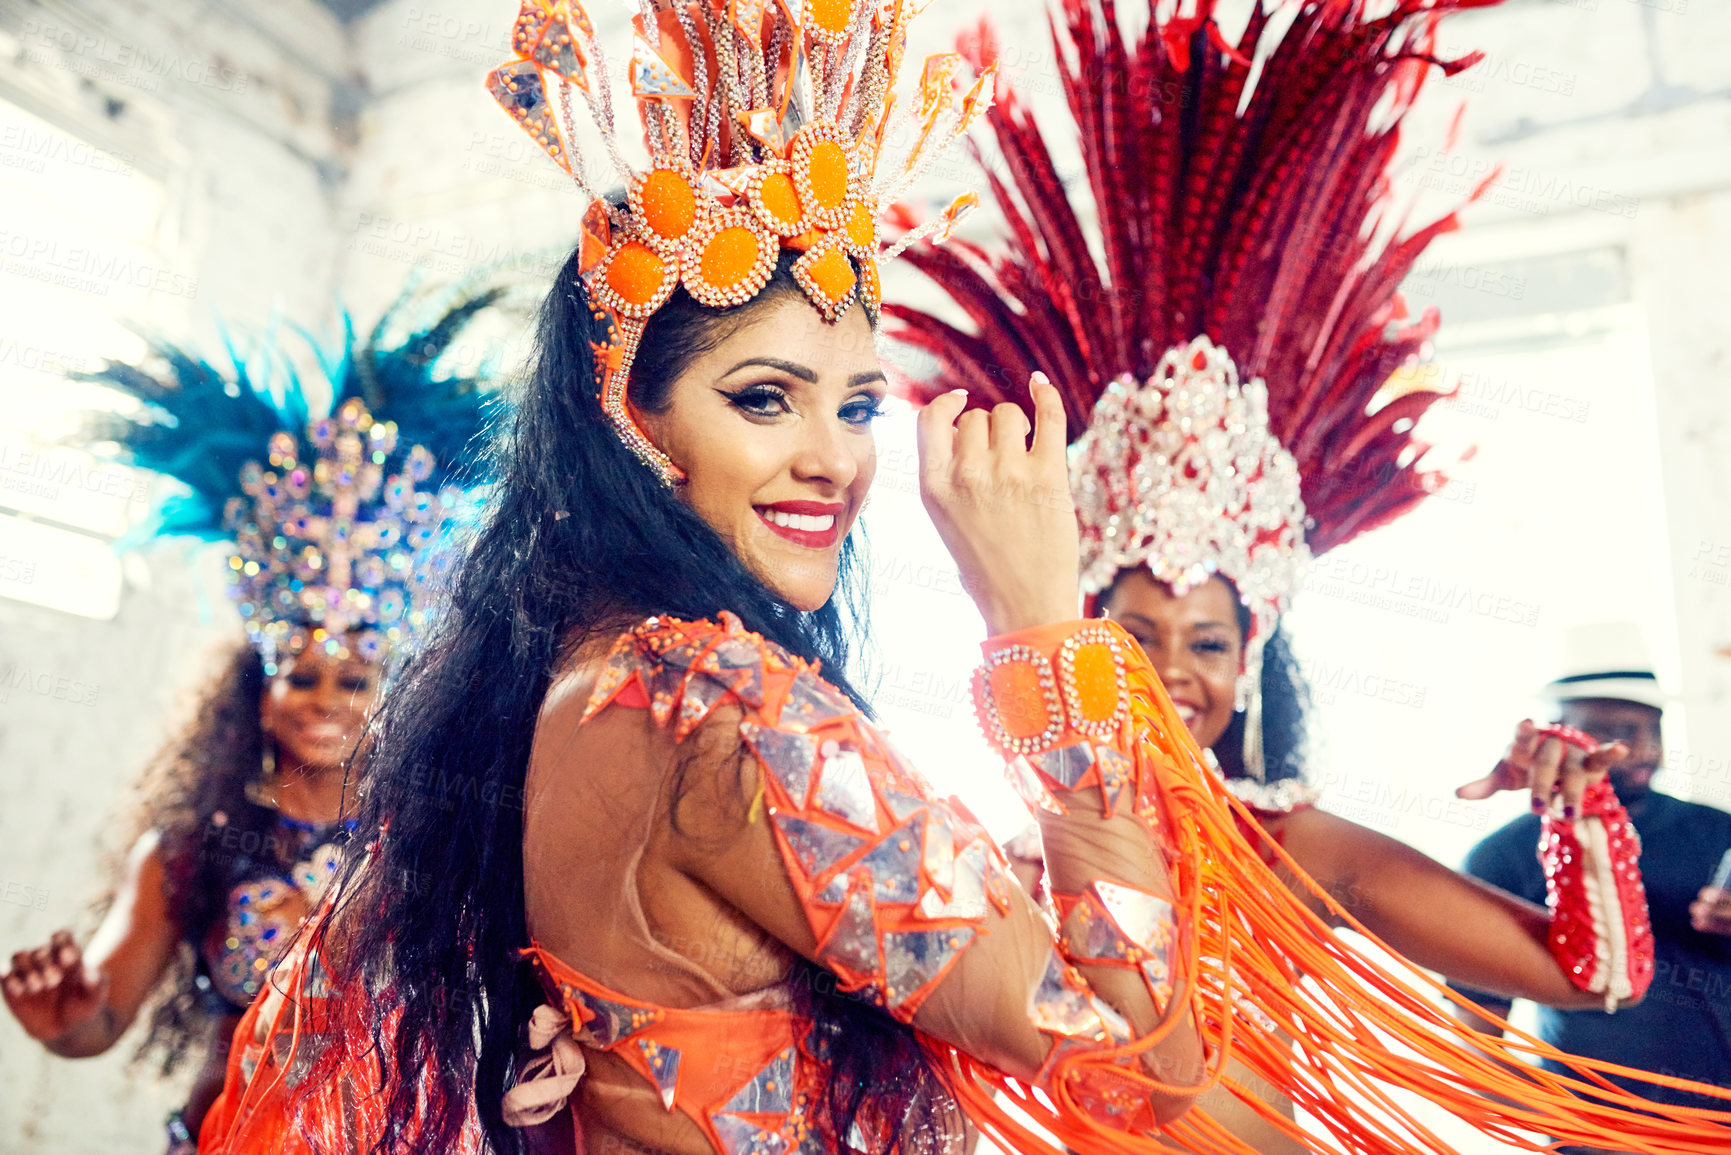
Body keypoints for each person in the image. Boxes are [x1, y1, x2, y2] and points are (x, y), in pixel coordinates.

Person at [197, 3, 1731, 1154]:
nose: (831, 459)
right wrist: (1034, 634)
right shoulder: (729, 712)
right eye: (763, 396)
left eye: (857, 401)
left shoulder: (573, 683)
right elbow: (1129, 1044)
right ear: (629, 410)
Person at [888, 0, 1731, 1149]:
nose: (1178, 675)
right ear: (1078, 627)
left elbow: (1601, 977)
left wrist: (1574, 810)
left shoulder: (1291, 851)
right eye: (1138, 636)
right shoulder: (1007, 860)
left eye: (1210, 643)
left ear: (1254, 661)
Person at [0, 281, 504, 1151]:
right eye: (299, 673)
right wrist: (66, 1018)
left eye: (354, 680)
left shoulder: (437, 837)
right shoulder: (192, 847)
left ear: (395, 693)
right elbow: (102, 1015)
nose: (323, 700)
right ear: (255, 687)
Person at [1453, 624, 1731, 1142]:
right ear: (1559, 731)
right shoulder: (1502, 860)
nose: (1645, 750)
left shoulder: (1720, 832)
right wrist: (1585, 1131)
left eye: (1654, 730)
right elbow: (1477, 1048)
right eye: (1620, 734)